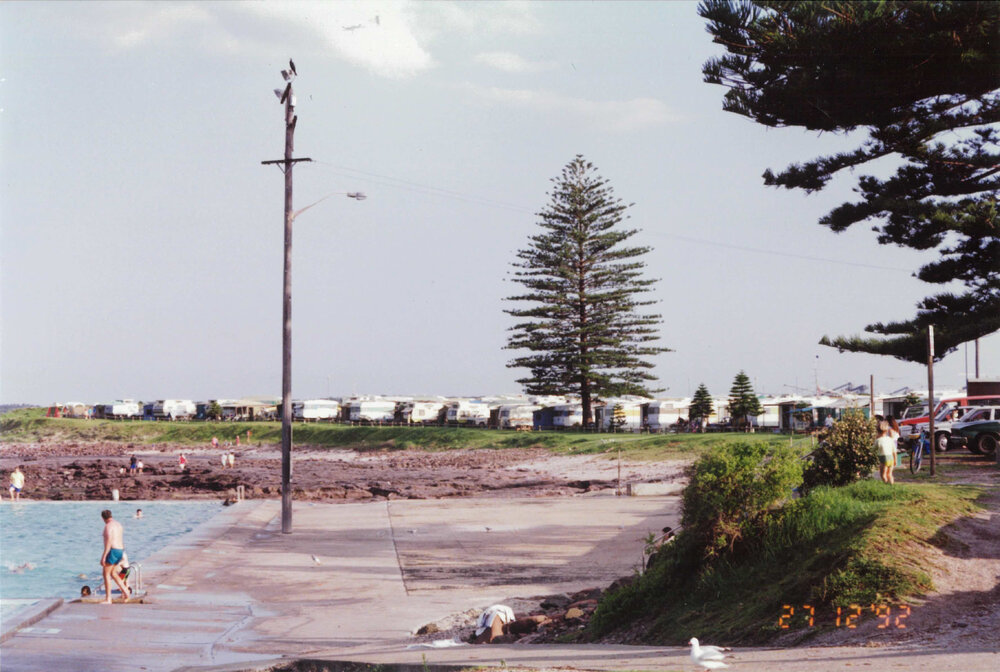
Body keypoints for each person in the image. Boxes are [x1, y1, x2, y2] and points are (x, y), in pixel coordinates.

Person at [100, 509, 130, 604]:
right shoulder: (118, 524)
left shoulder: (108, 526)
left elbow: (109, 541)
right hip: (120, 550)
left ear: (103, 518)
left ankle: (108, 599)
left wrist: (104, 556)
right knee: (113, 573)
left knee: (106, 574)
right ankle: (126, 591)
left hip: (113, 550)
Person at [875, 420, 896, 485]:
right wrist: (895, 460)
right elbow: (894, 451)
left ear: (877, 431)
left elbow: (873, 449)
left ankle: (886, 485)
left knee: (883, 475)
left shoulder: (878, 440)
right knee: (889, 474)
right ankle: (892, 486)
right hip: (891, 459)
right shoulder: (890, 439)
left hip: (884, 459)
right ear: (886, 431)